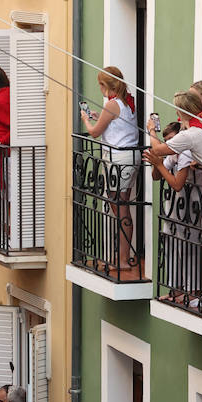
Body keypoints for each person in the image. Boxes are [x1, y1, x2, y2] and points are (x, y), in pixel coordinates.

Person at [79, 67, 141, 275]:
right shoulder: (125, 101)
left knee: (120, 207)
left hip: (119, 160)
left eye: (100, 84)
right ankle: (122, 255)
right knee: (120, 204)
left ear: (105, 85)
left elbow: (95, 133)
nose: (99, 88)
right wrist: (99, 115)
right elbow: (116, 125)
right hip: (128, 157)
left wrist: (86, 119)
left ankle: (122, 258)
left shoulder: (113, 104)